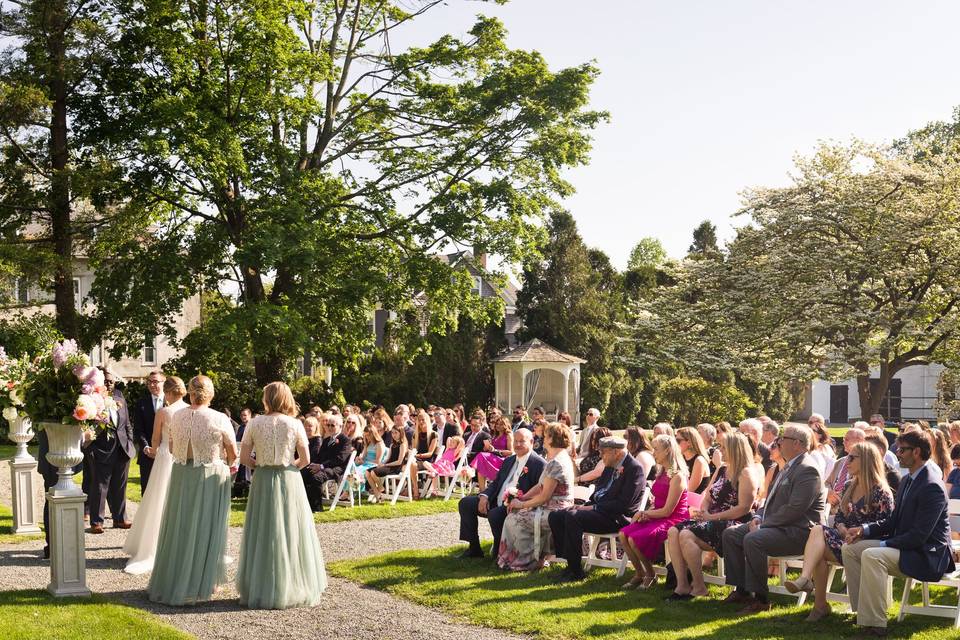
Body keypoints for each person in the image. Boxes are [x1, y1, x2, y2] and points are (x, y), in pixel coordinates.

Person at [842, 430, 956, 637]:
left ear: (917, 452)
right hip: (908, 548)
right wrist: (864, 530)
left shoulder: (932, 486)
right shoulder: (908, 480)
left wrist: (884, 544)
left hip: (928, 555)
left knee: (872, 555)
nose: (898, 453)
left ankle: (876, 625)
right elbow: (893, 521)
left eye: (903, 449)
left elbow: (919, 536)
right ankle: (863, 613)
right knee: (851, 549)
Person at [148, 375, 238, 606]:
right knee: (207, 528)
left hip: (180, 476)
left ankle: (175, 579)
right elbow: (232, 453)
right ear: (211, 393)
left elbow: (172, 446)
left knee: (180, 526)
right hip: (208, 476)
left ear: (189, 392)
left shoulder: (176, 415)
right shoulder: (218, 418)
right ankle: (204, 582)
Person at [236, 381, 326, 609]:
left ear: (266, 398)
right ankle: (293, 583)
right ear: (287, 398)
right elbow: (305, 459)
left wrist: (261, 464)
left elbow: (245, 458)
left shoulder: (255, 423)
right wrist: (290, 465)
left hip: (263, 478)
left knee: (263, 530)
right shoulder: (295, 424)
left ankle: (261, 584)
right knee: (291, 530)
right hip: (289, 478)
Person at [784, 442, 894, 622]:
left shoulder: (881, 491)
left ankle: (818, 602)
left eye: (852, 457)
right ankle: (808, 585)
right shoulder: (849, 485)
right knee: (818, 531)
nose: (846, 461)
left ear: (865, 461)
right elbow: (841, 517)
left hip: (866, 546)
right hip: (844, 541)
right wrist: (842, 528)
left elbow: (885, 524)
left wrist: (859, 533)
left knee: (818, 548)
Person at [722, 424, 825, 614]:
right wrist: (758, 517)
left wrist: (763, 525)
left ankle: (760, 599)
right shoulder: (787, 466)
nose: (777, 442)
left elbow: (795, 510)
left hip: (798, 532)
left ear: (796, 443)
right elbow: (769, 501)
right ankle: (742, 590)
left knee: (754, 539)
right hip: (776, 526)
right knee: (731, 534)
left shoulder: (807, 469)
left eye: (781, 439)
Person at [666, 432, 763, 600]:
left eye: (724, 447)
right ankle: (681, 585)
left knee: (686, 534)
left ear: (734, 449)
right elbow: (708, 495)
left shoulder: (746, 474)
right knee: (674, 531)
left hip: (733, 521)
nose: (720, 450)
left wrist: (711, 517)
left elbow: (743, 508)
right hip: (711, 518)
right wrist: (704, 510)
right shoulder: (722, 469)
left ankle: (699, 586)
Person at [549, 436, 645, 582]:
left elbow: (624, 505)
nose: (600, 455)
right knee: (556, 515)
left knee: (573, 517)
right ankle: (569, 564)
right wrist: (585, 505)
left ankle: (576, 572)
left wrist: (592, 507)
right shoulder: (610, 465)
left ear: (616, 452)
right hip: (599, 511)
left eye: (603, 452)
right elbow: (600, 493)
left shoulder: (634, 469)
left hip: (616, 517)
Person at [123, 376, 188, 575]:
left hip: (164, 458)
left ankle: (153, 546)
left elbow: (155, 440)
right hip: (183, 460)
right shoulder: (189, 411)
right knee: (179, 500)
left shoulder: (164, 412)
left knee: (157, 500)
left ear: (167, 391)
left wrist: (152, 450)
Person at [497, 423, 575, 571]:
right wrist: (523, 498)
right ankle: (515, 558)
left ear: (552, 438)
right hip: (552, 508)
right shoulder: (556, 458)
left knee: (515, 519)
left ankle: (525, 562)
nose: (543, 439)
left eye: (545, 436)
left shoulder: (557, 462)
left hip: (556, 512)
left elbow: (544, 496)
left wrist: (521, 505)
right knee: (514, 515)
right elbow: (540, 486)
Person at [458, 428, 544, 559]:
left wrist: (520, 502)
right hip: (496, 501)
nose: (518, 445)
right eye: (516, 441)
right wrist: (484, 496)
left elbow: (539, 491)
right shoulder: (509, 460)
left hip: (517, 506)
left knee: (495, 514)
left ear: (531, 442)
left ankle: (500, 552)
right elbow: (497, 483)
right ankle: (474, 548)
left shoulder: (538, 464)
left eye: (522, 441)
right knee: (465, 503)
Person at [619, 435, 690, 589]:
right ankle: (639, 573)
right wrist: (646, 513)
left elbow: (668, 511)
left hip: (673, 519)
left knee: (634, 539)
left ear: (667, 451)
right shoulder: (662, 471)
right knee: (623, 534)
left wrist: (643, 513)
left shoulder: (677, 476)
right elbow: (657, 504)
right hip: (657, 514)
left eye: (656, 449)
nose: (653, 452)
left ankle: (650, 574)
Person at [87, 369, 135, 533]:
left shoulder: (120, 397)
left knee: (120, 486)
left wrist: (130, 442)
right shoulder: (91, 400)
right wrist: (91, 447)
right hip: (101, 448)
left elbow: (127, 423)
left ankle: (120, 518)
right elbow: (86, 426)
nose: (108, 384)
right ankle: (97, 522)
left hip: (122, 448)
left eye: (111, 381)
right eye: (105, 381)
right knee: (100, 486)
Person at [301, 413, 352, 511]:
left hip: (336, 469)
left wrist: (321, 466)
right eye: (328, 425)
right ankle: (306, 505)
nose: (329, 427)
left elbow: (340, 459)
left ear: (340, 426)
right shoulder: (326, 440)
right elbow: (320, 456)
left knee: (315, 477)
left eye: (332, 425)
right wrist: (313, 465)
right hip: (324, 467)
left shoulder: (345, 440)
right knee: (304, 473)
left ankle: (317, 508)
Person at [132, 370, 165, 494]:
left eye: (155, 382)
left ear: (164, 382)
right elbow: (138, 429)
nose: (152, 385)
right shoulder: (141, 403)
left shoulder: (172, 402)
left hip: (168, 453)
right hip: (147, 455)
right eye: (149, 382)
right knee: (147, 491)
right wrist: (146, 447)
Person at [825, 427, 866, 510]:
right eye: (843, 439)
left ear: (860, 441)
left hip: (849, 508)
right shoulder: (839, 462)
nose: (843, 442)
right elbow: (827, 482)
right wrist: (829, 493)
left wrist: (839, 497)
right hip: (830, 506)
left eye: (846, 439)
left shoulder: (864, 464)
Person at [366, 422, 408, 503]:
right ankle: (378, 493)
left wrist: (385, 464)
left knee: (373, 473)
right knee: (367, 472)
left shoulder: (403, 445)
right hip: (388, 465)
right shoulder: (392, 445)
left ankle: (381, 488)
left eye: (396, 433)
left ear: (401, 433)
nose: (393, 435)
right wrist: (381, 464)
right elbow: (388, 458)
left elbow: (399, 462)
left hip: (395, 467)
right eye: (392, 433)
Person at [410, 409, 439, 499]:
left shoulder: (434, 434)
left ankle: (413, 489)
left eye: (423, 419)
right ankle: (413, 488)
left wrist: (417, 455)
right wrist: (411, 454)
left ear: (427, 420)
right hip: (417, 460)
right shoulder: (416, 435)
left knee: (412, 464)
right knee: (410, 464)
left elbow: (430, 453)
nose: (421, 422)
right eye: (419, 420)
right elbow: (414, 449)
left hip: (427, 461)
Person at [676, 427, 710, 493]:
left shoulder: (699, 461)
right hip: (684, 498)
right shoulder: (681, 458)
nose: (675, 443)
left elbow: (690, 489)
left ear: (689, 442)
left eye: (678, 441)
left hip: (695, 501)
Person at [807, 414, 837, 478]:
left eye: (813, 431)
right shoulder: (807, 444)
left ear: (820, 435)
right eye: (810, 422)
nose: (810, 432)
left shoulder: (826, 448)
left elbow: (829, 469)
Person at [233, 407, 254, 498]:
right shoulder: (240, 427)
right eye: (242, 415)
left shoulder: (253, 426)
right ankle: (238, 492)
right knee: (239, 472)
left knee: (248, 474)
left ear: (249, 415)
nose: (243, 417)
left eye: (245, 415)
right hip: (240, 453)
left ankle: (248, 491)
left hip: (251, 453)